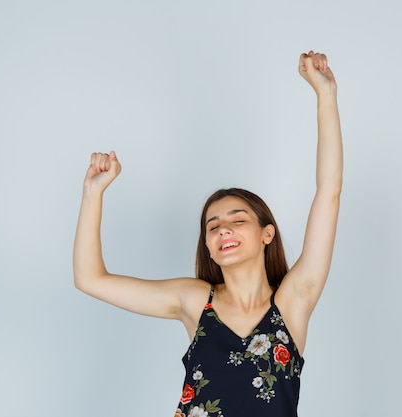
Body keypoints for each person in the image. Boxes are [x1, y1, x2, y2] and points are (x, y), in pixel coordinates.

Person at [73, 50, 343, 417]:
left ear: (267, 233)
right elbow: (90, 279)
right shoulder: (195, 301)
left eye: (237, 219)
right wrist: (93, 193)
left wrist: (325, 94)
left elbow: (328, 192)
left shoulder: (293, 302)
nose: (223, 229)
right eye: (212, 226)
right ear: (209, 249)